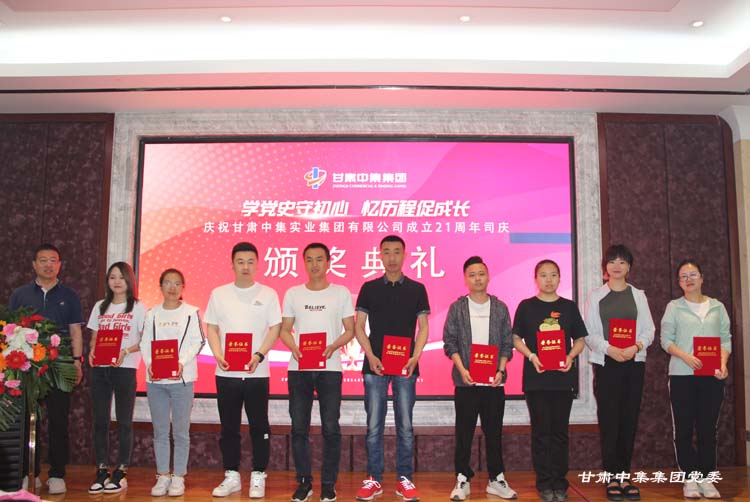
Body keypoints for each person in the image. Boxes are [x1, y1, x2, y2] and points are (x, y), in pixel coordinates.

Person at [354, 235, 430, 502]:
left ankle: (404, 479)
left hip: (406, 365)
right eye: (386, 252)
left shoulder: (417, 289)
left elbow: (424, 328)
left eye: (397, 252)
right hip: (375, 364)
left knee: (405, 426)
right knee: (374, 425)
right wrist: (370, 355)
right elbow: (358, 326)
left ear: (405, 255)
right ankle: (373, 479)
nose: (392, 257)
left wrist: (415, 356)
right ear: (380, 255)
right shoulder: (369, 287)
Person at [205, 242, 282, 498]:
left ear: (257, 264)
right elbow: (212, 327)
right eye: (240, 261)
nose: (245, 266)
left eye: (250, 261)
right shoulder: (219, 294)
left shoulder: (268, 294)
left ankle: (259, 474)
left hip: (256, 373)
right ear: (232, 264)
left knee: (259, 425)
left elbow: (275, 328)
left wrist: (259, 355)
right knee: (229, 427)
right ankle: (232, 475)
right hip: (226, 373)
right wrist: (217, 354)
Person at [280, 243, 355, 502]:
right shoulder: (293, 293)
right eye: (310, 259)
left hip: (330, 369)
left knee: (331, 427)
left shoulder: (340, 293)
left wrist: (333, 346)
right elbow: (284, 329)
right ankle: (304, 482)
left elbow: (350, 330)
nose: (314, 264)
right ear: (304, 263)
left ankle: (328, 483)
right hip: (299, 368)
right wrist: (294, 347)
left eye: (319, 259)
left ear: (328, 262)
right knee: (299, 427)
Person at [8, 243, 84, 495]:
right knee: (26, 422)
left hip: (59, 367)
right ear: (34, 264)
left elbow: (75, 331)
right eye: (43, 260)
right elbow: (10, 331)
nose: (48, 265)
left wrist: (77, 361)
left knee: (59, 422)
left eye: (53, 260)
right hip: (27, 368)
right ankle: (28, 472)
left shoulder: (69, 295)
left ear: (59, 265)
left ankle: (57, 474)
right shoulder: (20, 295)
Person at [442, 256, 517, 501]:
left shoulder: (500, 307)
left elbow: (507, 343)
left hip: (494, 382)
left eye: (481, 273)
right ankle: (462, 479)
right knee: (464, 432)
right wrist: (462, 369)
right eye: (472, 274)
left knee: (494, 432)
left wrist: (500, 371)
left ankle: (496, 479)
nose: (477, 278)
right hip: (466, 382)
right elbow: (450, 342)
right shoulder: (458, 308)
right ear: (465, 279)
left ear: (488, 276)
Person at [512, 260, 587, 502]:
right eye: (543, 275)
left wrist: (570, 356)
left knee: (560, 433)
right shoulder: (526, 307)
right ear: (536, 279)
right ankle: (544, 483)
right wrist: (531, 356)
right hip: (536, 380)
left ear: (559, 278)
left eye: (553, 275)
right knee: (541, 433)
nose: (548, 280)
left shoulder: (568, 307)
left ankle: (559, 483)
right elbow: (515, 338)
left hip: (562, 380)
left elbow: (580, 339)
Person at [584, 245, 655, 501]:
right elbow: (589, 333)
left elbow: (649, 330)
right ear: (605, 266)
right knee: (610, 421)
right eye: (612, 261)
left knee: (628, 419)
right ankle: (612, 476)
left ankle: (624, 475)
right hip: (607, 364)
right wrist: (610, 349)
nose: (617, 266)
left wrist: (635, 347)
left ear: (629, 267)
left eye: (622, 262)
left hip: (633, 363)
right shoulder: (596, 296)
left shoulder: (638, 295)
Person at [660, 259, 730, 500]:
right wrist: (685, 357)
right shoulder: (674, 307)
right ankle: (689, 478)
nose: (688, 279)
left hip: (711, 377)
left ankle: (707, 478)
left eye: (692, 274)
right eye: (683, 276)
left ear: (702, 278)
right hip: (682, 376)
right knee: (684, 428)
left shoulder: (717, 307)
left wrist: (722, 363)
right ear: (679, 282)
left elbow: (725, 339)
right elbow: (665, 340)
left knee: (708, 429)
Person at [140, 268, 205, 497]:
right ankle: (162, 475)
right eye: (167, 282)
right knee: (160, 430)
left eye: (177, 283)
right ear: (160, 286)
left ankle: (178, 476)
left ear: (183, 287)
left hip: (182, 380)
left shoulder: (191, 312)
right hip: (156, 380)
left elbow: (198, 341)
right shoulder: (152, 313)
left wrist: (181, 362)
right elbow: (145, 342)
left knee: (180, 431)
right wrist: (150, 363)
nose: (172, 287)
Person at [86, 262, 146, 494]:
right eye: (112, 277)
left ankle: (121, 471)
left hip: (125, 368)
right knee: (100, 420)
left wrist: (126, 351)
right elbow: (95, 336)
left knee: (124, 421)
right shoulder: (100, 306)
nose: (117, 281)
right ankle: (102, 470)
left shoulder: (138, 307)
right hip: (100, 368)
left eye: (121, 277)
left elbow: (144, 339)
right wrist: (92, 350)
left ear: (129, 280)